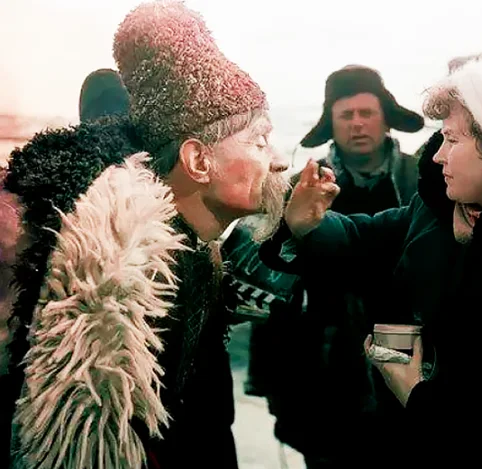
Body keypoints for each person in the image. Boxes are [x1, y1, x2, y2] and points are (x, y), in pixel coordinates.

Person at [262, 36, 482, 467]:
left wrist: (417, 395)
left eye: (452, 139)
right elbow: (361, 237)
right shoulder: (438, 209)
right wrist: (308, 224)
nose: (437, 156)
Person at [3, 1, 288, 467]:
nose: (277, 160)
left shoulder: (193, 248)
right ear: (198, 161)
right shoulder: (125, 283)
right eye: (259, 141)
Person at [238, 64, 425, 468]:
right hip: (320, 373)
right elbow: (271, 292)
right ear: (331, 124)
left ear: (386, 119)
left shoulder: (424, 183)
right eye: (346, 114)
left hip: (405, 358)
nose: (357, 123)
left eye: (366, 112)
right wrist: (268, 382)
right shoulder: (301, 189)